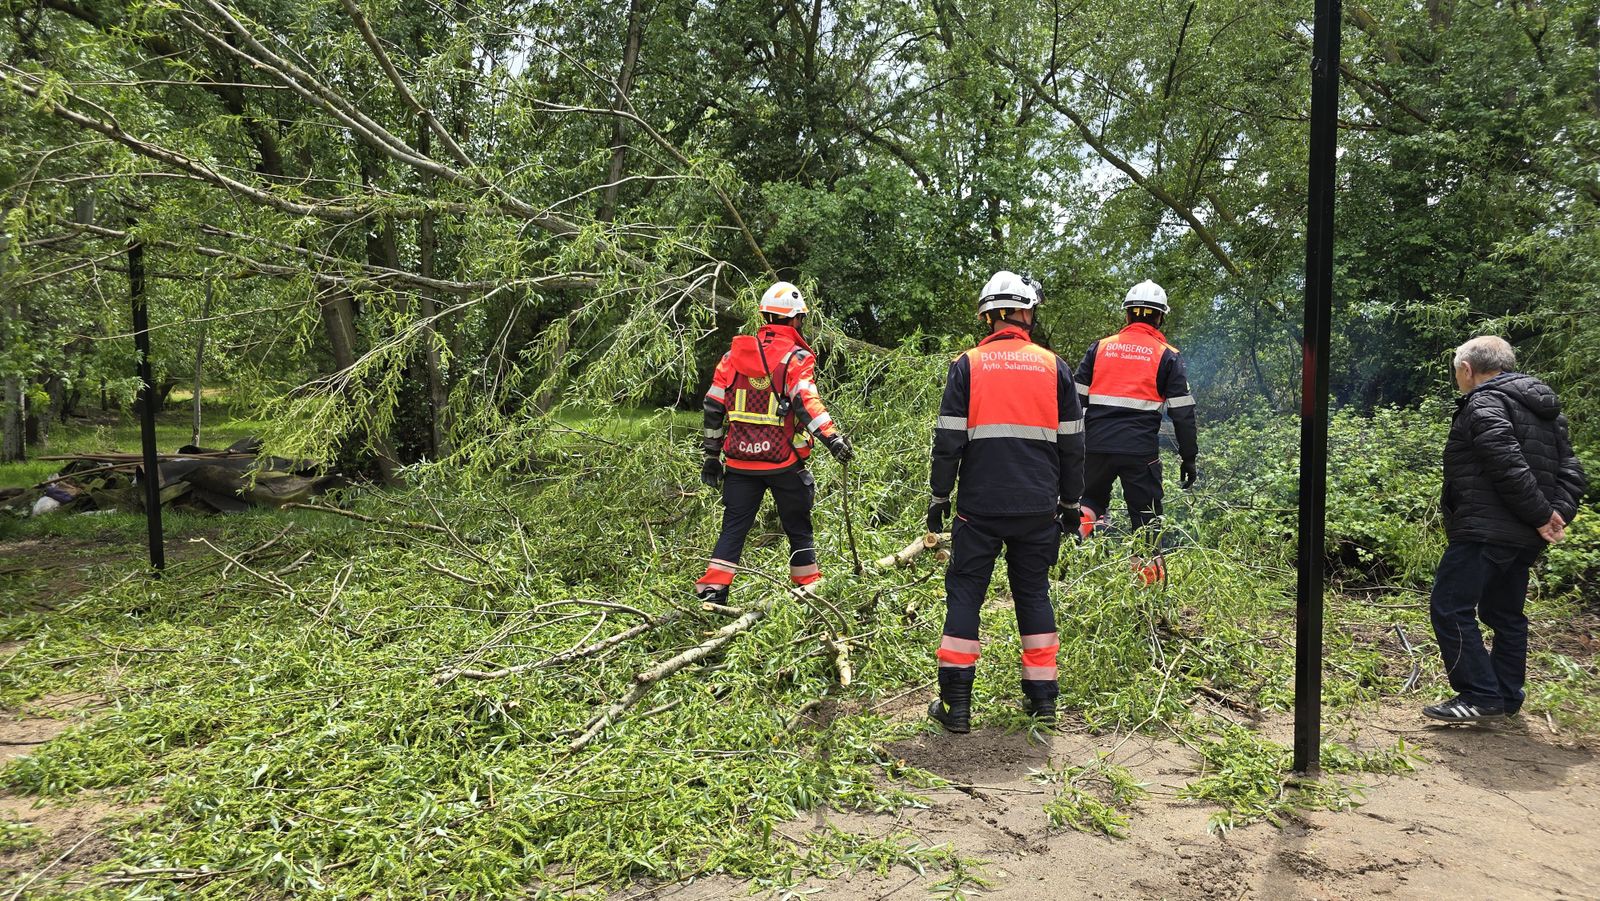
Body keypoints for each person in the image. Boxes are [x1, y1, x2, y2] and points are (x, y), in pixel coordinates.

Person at [926, 270, 1085, 732]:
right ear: (1026, 313)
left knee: (965, 596)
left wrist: (939, 496)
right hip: (1039, 508)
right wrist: (1072, 504)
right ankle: (1043, 705)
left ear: (988, 316)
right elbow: (1073, 444)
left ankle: (956, 708)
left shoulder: (968, 365)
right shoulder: (1054, 366)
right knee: (1033, 595)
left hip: (978, 508)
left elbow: (948, 440)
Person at [1425, 336, 1586, 723]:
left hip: (1485, 529)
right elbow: (1572, 470)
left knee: (1450, 607)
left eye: (1457, 371)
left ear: (1467, 369)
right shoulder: (1544, 408)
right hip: (1522, 535)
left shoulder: (1484, 402)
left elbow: (1506, 465)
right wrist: (1556, 513)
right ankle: (1506, 696)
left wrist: (1540, 515)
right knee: (1505, 613)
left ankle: (1480, 693)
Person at [694, 282, 853, 603]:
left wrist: (711, 457)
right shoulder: (795, 359)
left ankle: (711, 596)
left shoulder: (732, 355)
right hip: (784, 463)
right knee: (799, 531)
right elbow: (807, 402)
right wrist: (832, 438)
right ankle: (809, 597)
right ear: (796, 321)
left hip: (739, 464)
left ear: (764, 316)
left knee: (733, 530)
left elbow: (712, 406)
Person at [1073, 279, 1198, 583]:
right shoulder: (1168, 355)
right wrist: (1189, 457)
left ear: (1127, 315)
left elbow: (1074, 399)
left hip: (1095, 445)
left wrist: (1071, 448)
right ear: (1160, 317)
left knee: (1088, 502)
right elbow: (1182, 414)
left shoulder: (1100, 348)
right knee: (1146, 521)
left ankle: (1069, 561)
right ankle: (1146, 594)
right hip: (1139, 452)